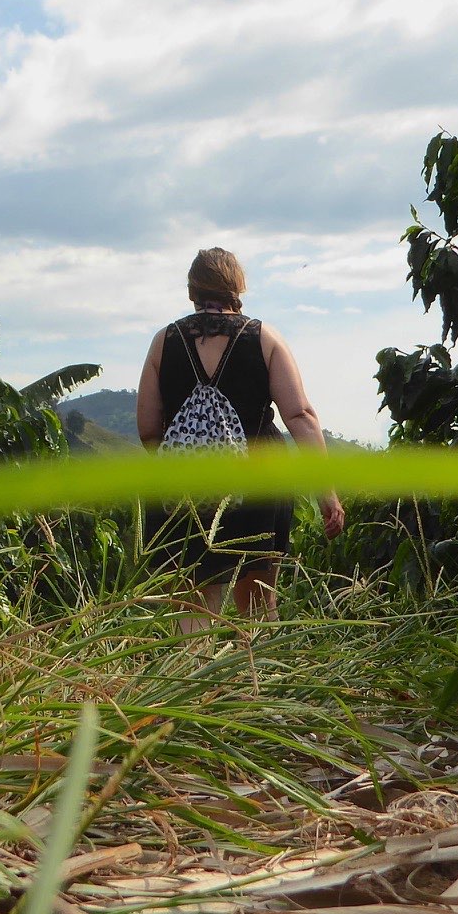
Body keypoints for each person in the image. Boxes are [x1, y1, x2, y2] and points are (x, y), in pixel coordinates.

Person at [136, 247, 345, 630]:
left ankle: (193, 683)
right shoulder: (264, 338)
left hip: (185, 489)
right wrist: (325, 491)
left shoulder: (163, 341)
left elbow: (149, 429)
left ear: (192, 290)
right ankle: (256, 683)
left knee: (193, 604)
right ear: (238, 287)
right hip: (260, 482)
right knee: (259, 604)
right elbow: (299, 415)